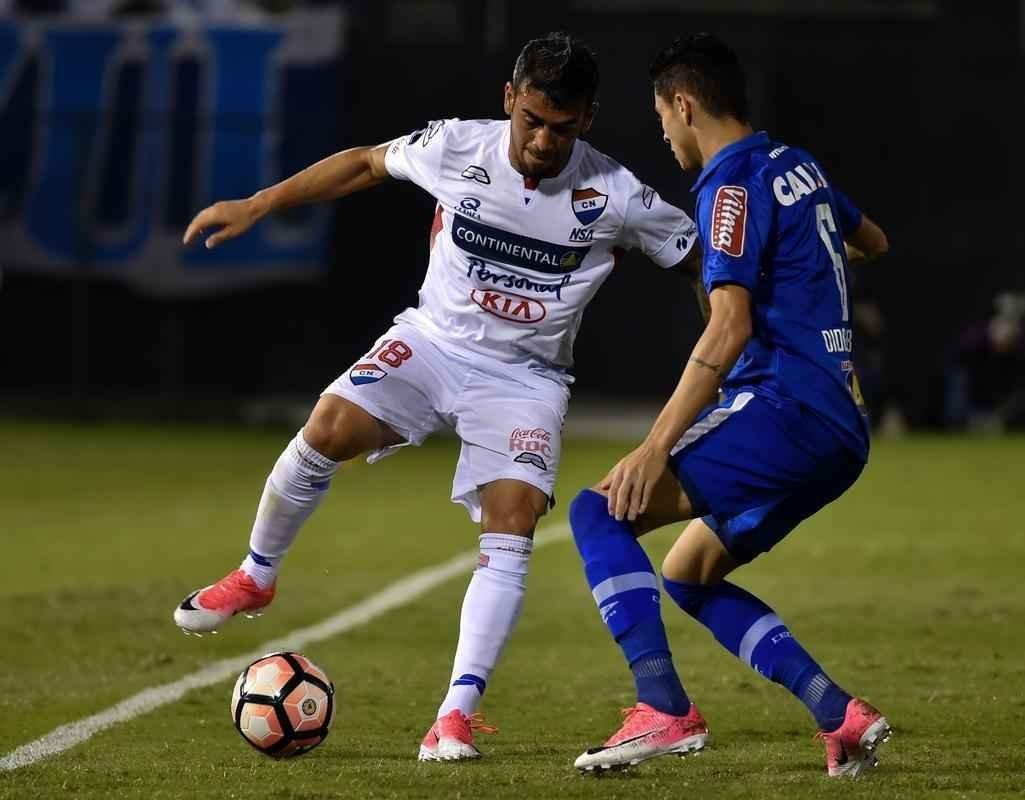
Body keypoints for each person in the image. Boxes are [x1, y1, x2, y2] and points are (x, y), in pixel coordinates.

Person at [172, 32, 702, 762]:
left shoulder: (615, 194)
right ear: (510, 100)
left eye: (563, 126)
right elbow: (363, 164)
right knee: (327, 426)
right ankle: (255, 577)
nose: (544, 141)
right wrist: (260, 203)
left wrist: (746, 330)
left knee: (511, 520)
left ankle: (453, 716)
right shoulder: (457, 147)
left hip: (525, 379)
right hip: (432, 344)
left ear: (588, 118)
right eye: (532, 121)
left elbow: (708, 262)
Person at [568, 33, 891, 777]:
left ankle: (664, 708)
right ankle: (838, 714)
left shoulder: (731, 185)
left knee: (598, 509)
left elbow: (728, 323)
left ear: (683, 104)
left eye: (660, 117)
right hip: (842, 429)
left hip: (784, 408)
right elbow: (871, 240)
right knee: (688, 574)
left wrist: (653, 447)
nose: (663, 133)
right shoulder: (797, 165)